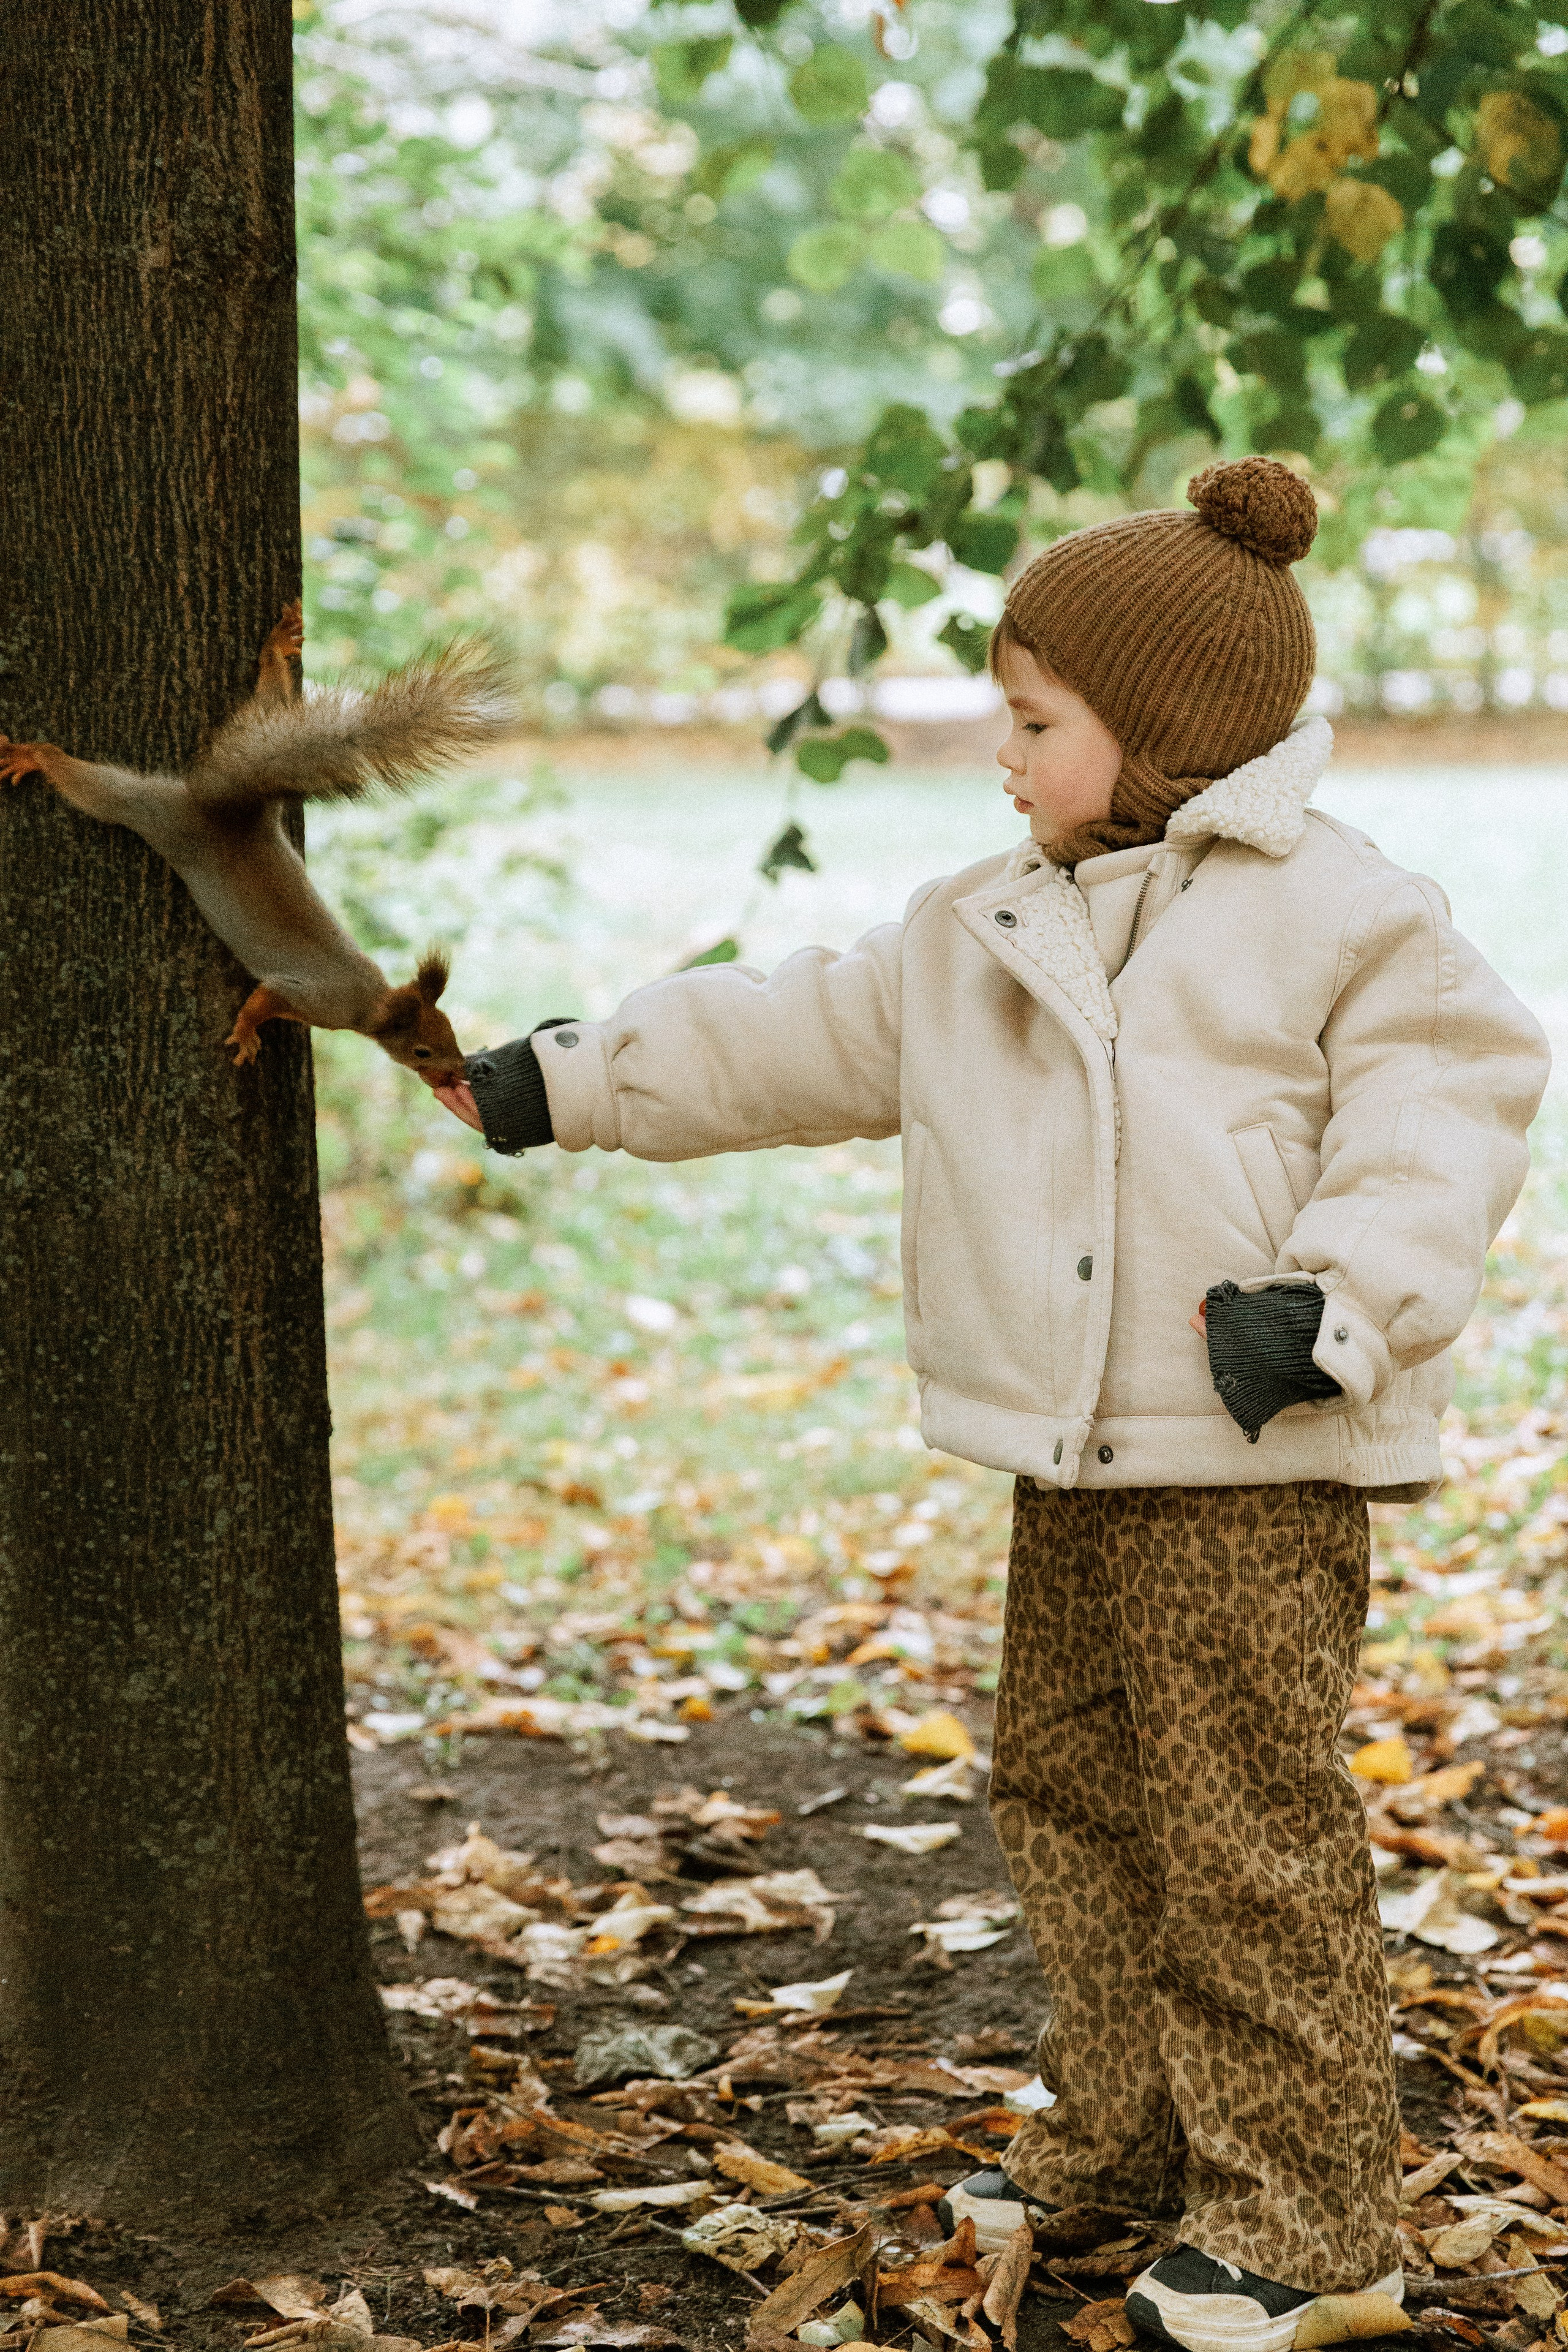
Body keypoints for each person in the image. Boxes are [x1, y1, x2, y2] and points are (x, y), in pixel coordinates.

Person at [431, 458, 1550, 2352]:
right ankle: (1131, 2141)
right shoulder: (987, 928)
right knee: (1073, 1791)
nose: (1002, 756)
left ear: (1172, 733)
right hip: (1077, 1455)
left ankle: (1308, 2223)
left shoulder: (1347, 919)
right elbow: (792, 1028)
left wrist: (1336, 1307)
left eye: (1033, 722)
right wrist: (566, 1079)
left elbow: (1448, 1109)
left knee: (1241, 1828)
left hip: (1252, 1449)